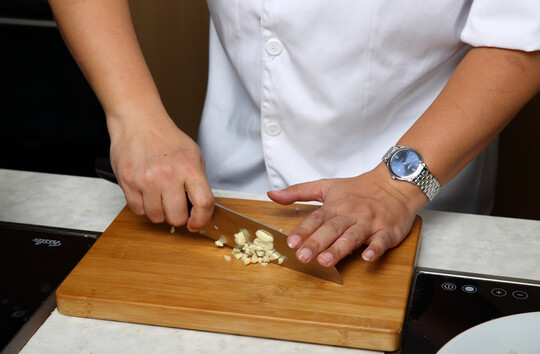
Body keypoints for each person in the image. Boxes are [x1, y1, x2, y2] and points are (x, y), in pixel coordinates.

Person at [48, 1, 540, 268]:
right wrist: (133, 116)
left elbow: (522, 31)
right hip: (231, 179)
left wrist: (395, 186)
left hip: (421, 180)